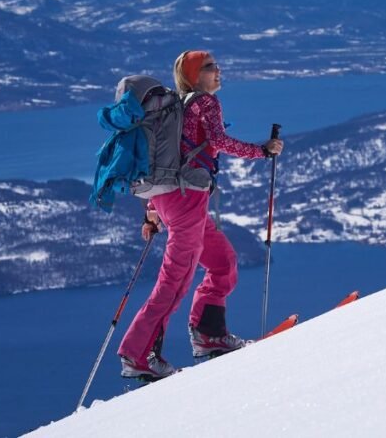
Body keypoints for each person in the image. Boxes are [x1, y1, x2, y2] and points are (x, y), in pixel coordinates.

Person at [115, 50, 284, 380]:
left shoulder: (179, 106)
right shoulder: (204, 102)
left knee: (222, 262)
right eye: (209, 67)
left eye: (216, 65)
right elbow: (218, 141)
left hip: (175, 200)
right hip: (187, 201)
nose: (218, 71)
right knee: (175, 280)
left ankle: (209, 334)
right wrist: (262, 150)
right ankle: (139, 354)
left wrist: (153, 210)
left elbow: (171, 161)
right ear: (193, 75)